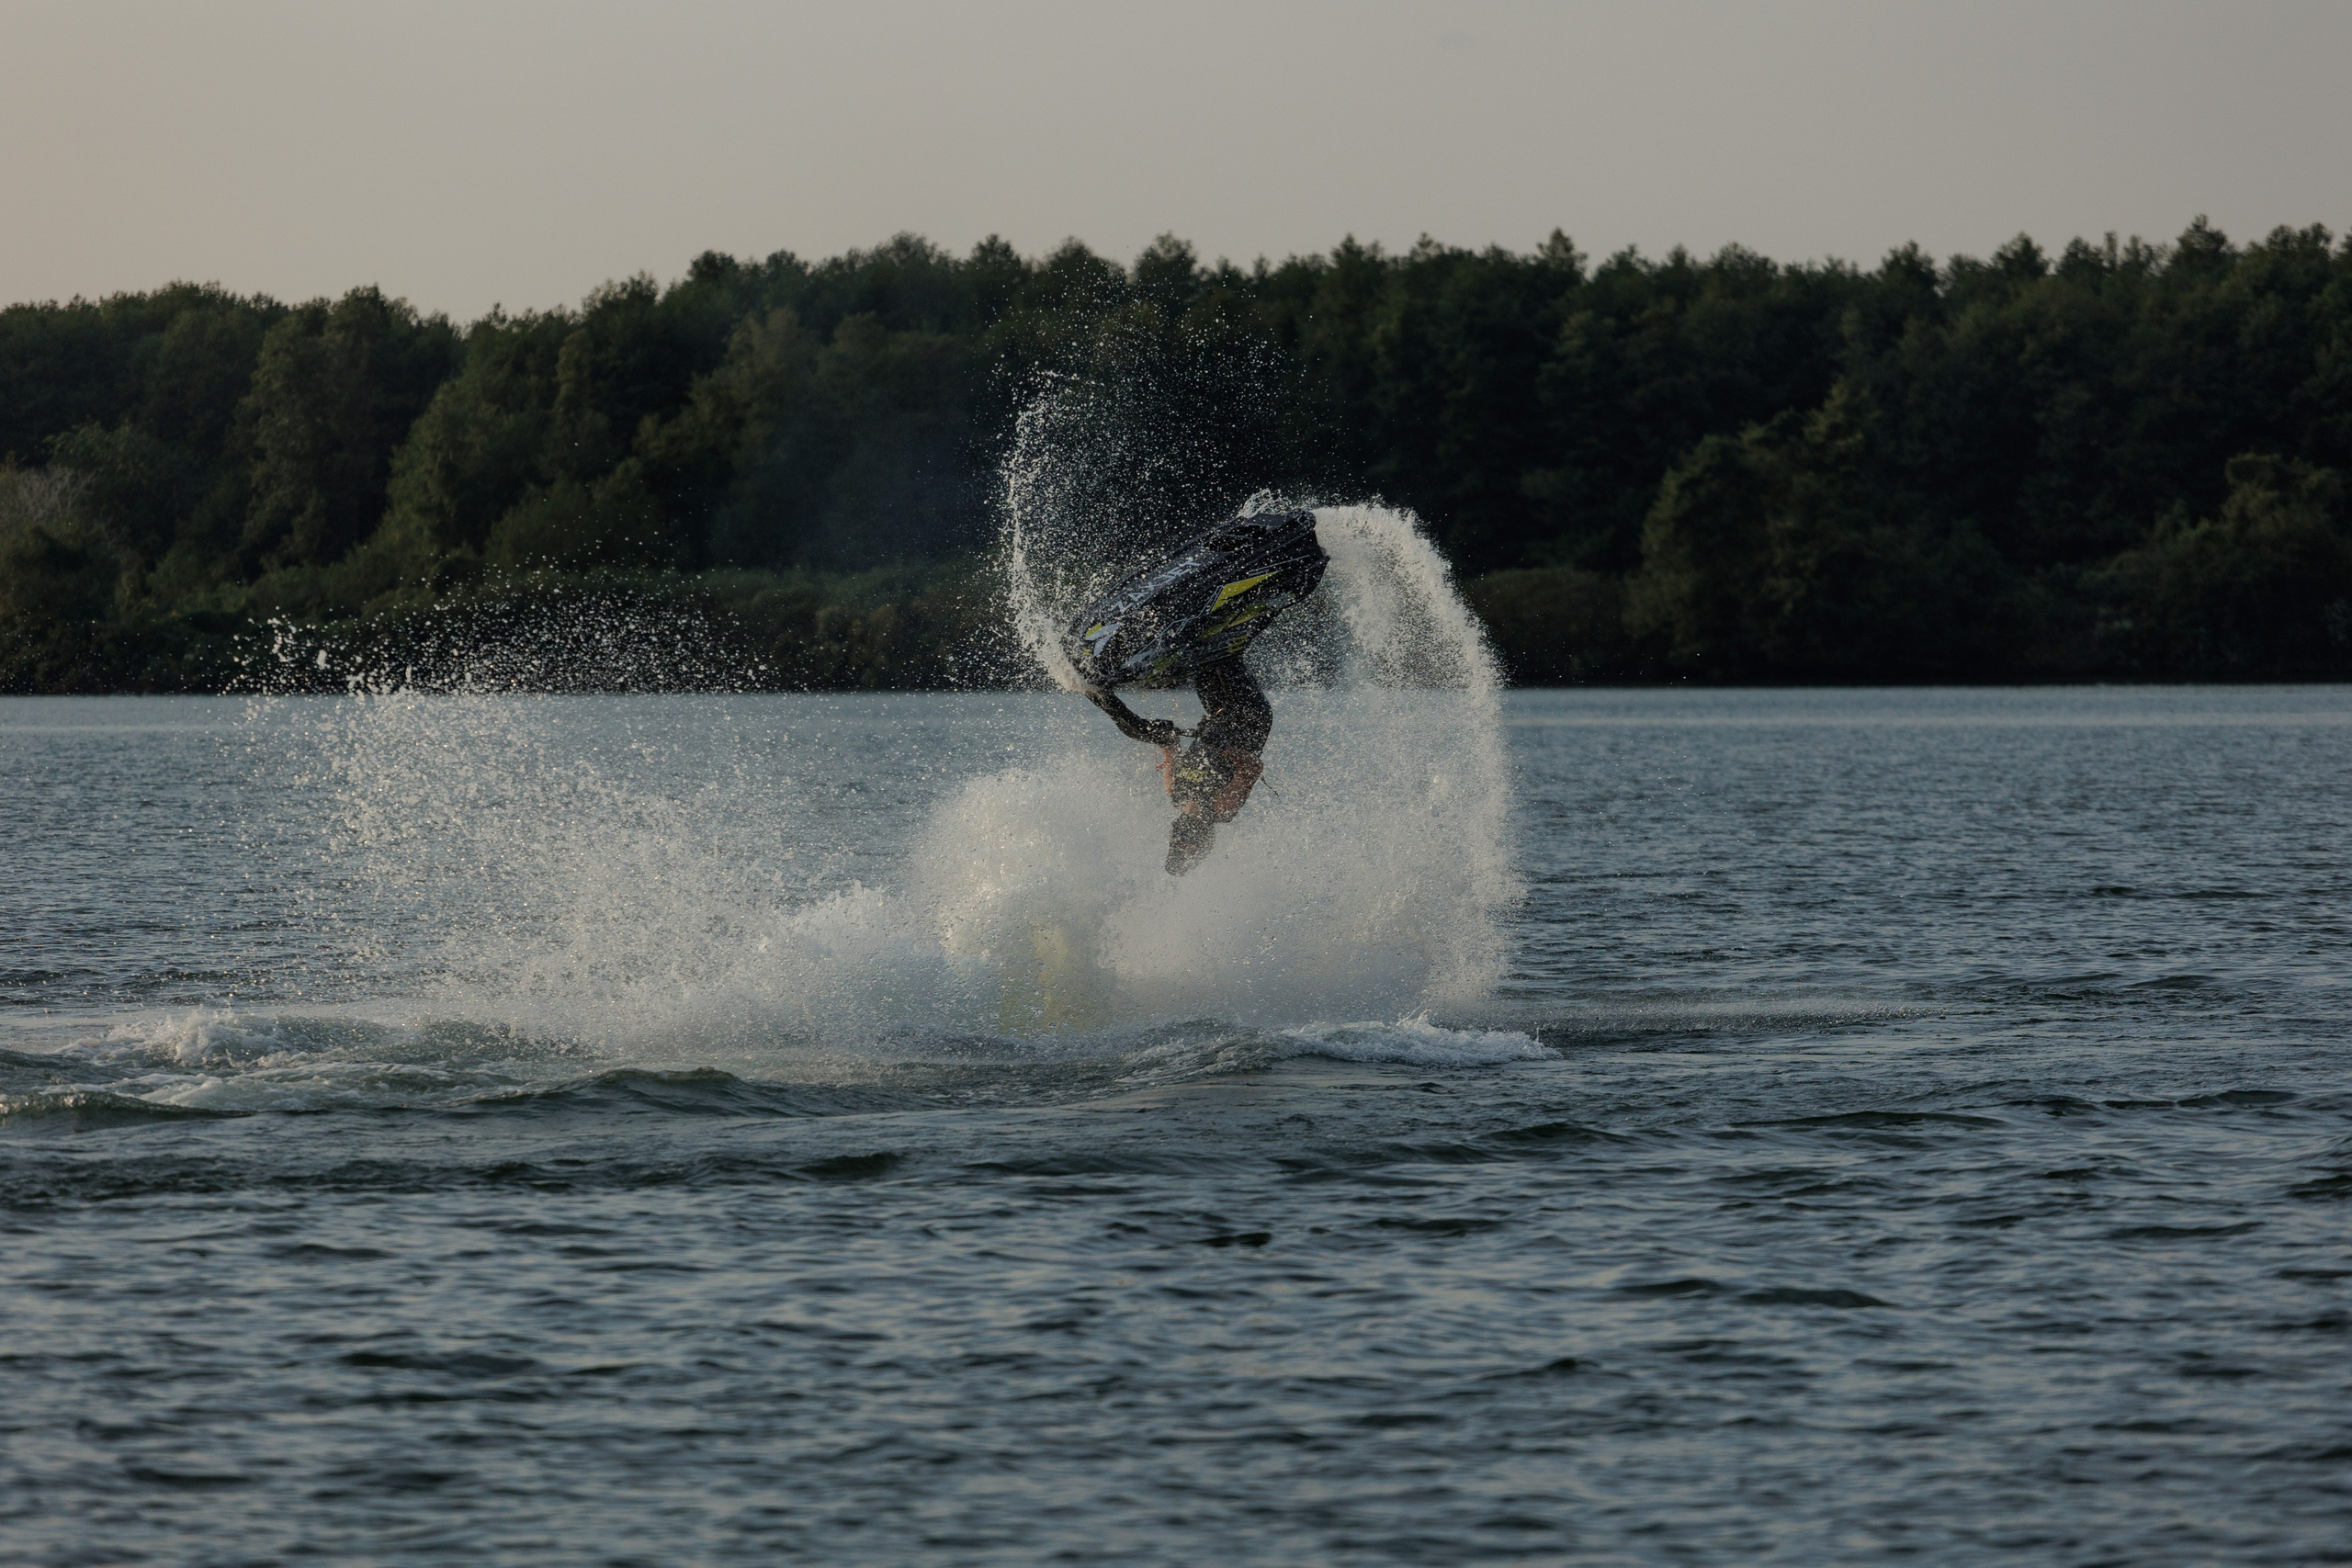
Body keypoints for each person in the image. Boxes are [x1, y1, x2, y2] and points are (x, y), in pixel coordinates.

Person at [1086, 656, 1271, 875]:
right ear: (1203, 838)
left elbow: (1171, 748)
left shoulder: (1175, 791)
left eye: (1177, 841)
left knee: (1205, 659)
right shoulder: (1222, 807)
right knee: (1226, 658)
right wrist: (1223, 749)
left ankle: (1092, 689)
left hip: (1218, 713)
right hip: (1251, 719)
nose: (1181, 836)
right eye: (1187, 841)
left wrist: (1160, 736)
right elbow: (1252, 769)